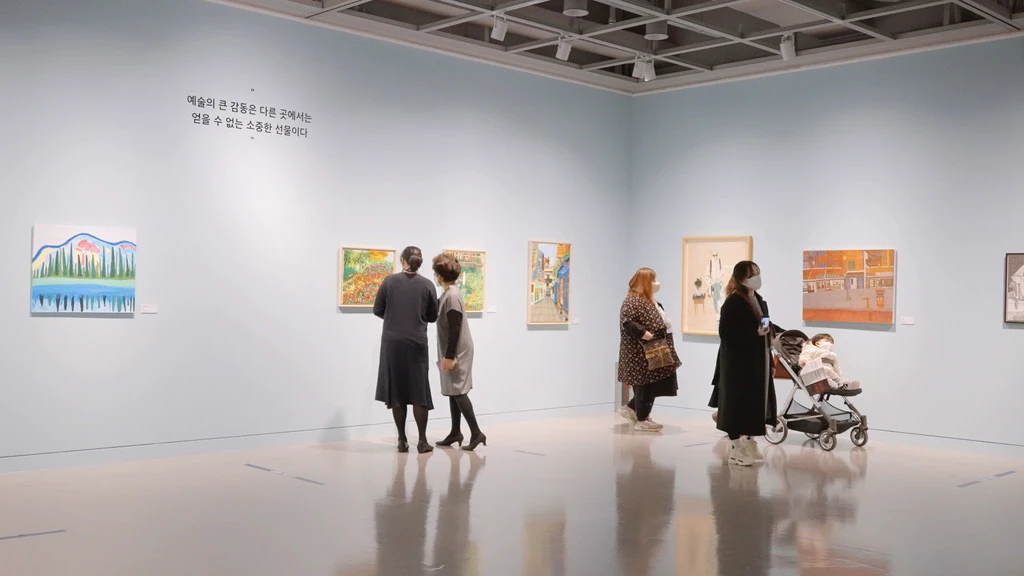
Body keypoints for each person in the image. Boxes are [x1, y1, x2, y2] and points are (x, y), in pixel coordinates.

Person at [712, 261, 779, 466]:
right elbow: (726, 334)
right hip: (737, 364)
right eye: (752, 274)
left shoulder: (759, 300)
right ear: (741, 278)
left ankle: (749, 442)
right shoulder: (733, 302)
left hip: (758, 362)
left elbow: (765, 325)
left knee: (755, 402)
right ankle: (735, 448)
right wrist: (753, 333)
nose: (757, 277)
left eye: (758, 272)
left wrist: (772, 337)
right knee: (736, 403)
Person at [374, 246, 439, 454]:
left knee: (398, 390)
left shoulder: (389, 282)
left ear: (402, 260)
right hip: (417, 343)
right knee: (419, 391)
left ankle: (402, 440)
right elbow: (432, 316)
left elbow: (378, 309)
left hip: (393, 343)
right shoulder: (428, 285)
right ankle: (422, 441)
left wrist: (395, 318)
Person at [431, 253, 487, 451]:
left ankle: (476, 432)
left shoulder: (452, 296)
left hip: (457, 351)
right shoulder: (448, 293)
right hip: (452, 349)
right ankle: (455, 432)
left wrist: (449, 357)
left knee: (459, 391)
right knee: (453, 391)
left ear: (440, 275)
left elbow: (454, 329)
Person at [617, 268, 681, 432]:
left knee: (654, 383)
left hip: (655, 349)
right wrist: (643, 333)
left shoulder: (648, 300)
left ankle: (633, 410)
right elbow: (628, 322)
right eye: (652, 280)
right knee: (645, 385)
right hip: (641, 352)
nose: (655, 283)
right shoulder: (632, 301)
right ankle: (642, 419)